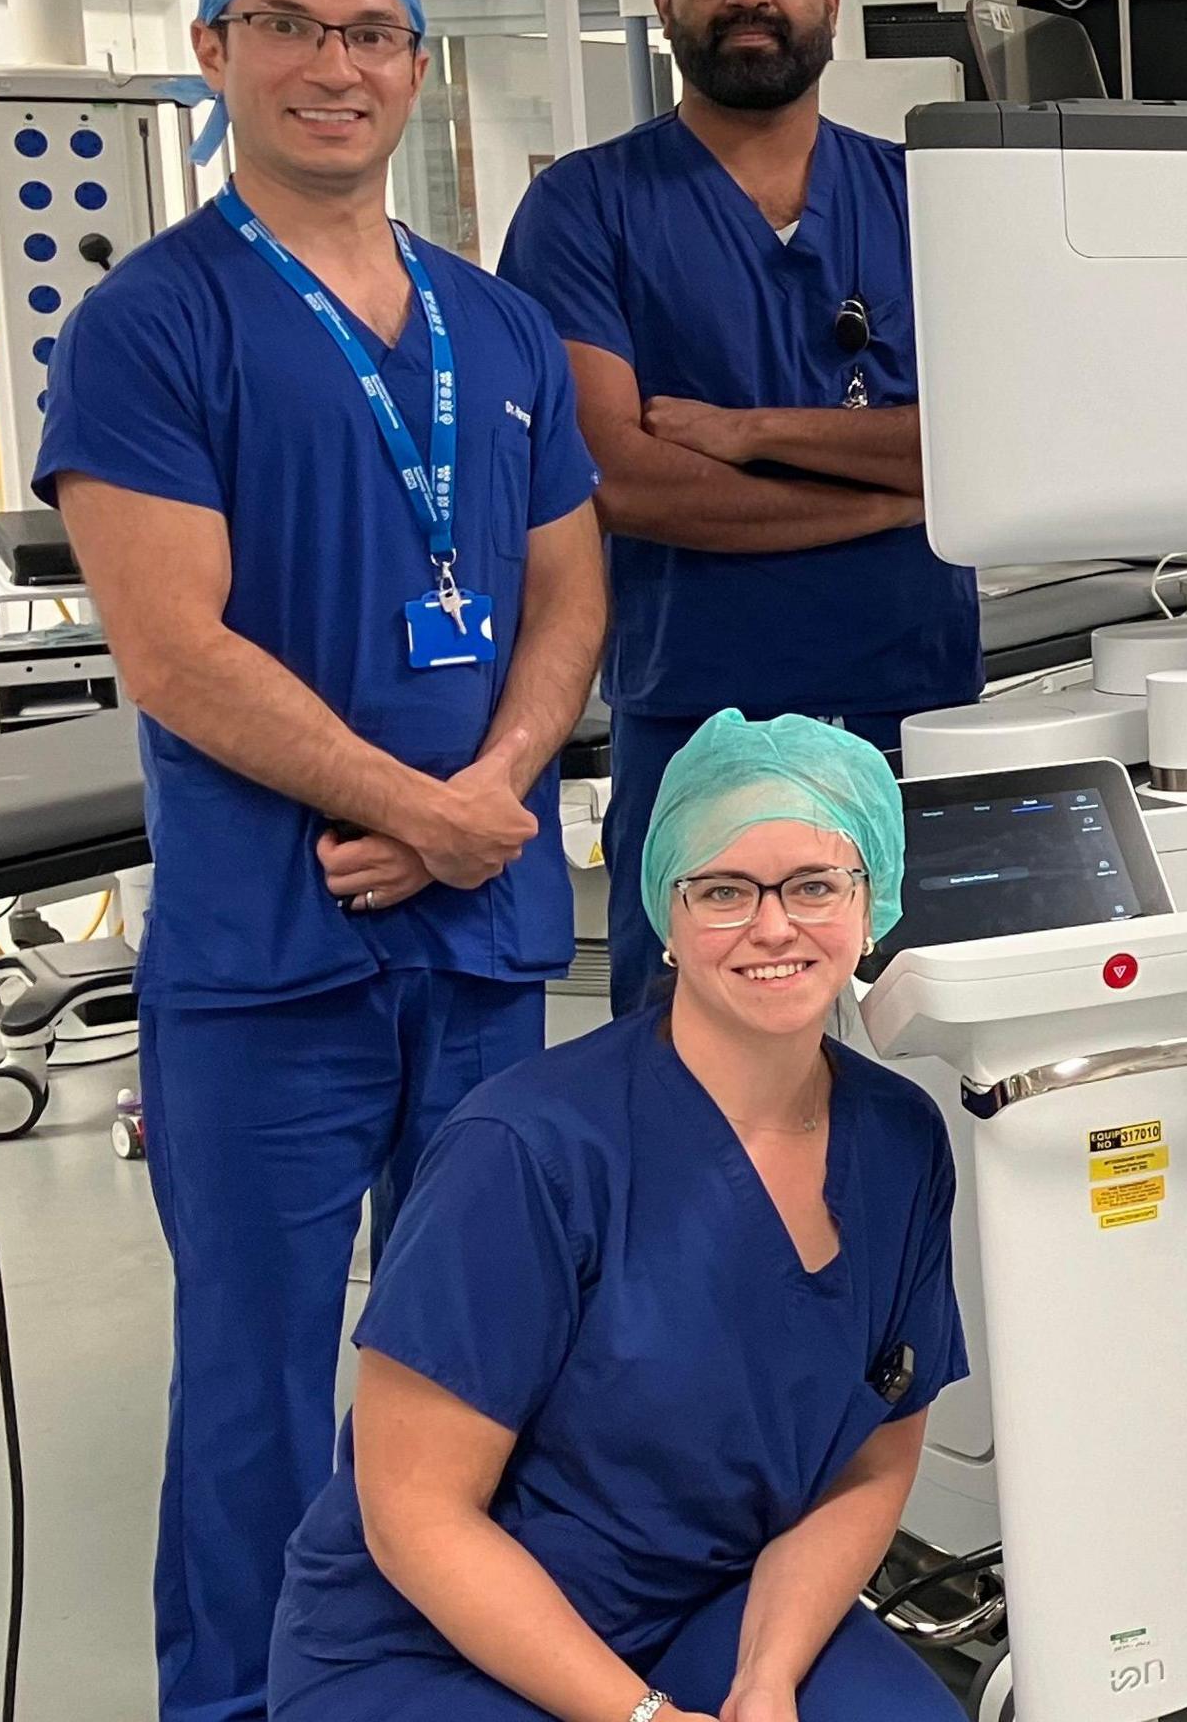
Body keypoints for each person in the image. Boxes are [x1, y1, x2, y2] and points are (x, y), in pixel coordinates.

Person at [34, 0, 607, 1722]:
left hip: (481, 928)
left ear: (420, 70)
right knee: (260, 1382)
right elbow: (174, 650)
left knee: (480, 1355)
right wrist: (415, 805)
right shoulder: (152, 327)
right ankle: (246, 1704)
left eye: (370, 32)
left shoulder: (495, 328)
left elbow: (571, 587)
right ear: (212, 49)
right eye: (288, 24)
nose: (333, 66)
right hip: (269, 955)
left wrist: (497, 787)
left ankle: (456, 1679)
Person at [268, 712, 965, 1722]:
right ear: (667, 917)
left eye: (816, 885)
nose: (774, 926)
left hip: (701, 1606)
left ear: (874, 903)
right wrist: (640, 1717)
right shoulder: (526, 1150)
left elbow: (875, 1457)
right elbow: (415, 1513)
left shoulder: (899, 1140)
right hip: (431, 1645)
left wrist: (766, 1678)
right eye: (723, 890)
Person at [500, 0, 974, 995]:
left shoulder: (930, 197)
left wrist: (754, 431)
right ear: (664, 1)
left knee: (928, 1056)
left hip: (914, 709)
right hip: (696, 714)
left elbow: (1006, 437)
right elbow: (625, 480)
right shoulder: (585, 209)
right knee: (689, 1071)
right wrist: (916, 486)